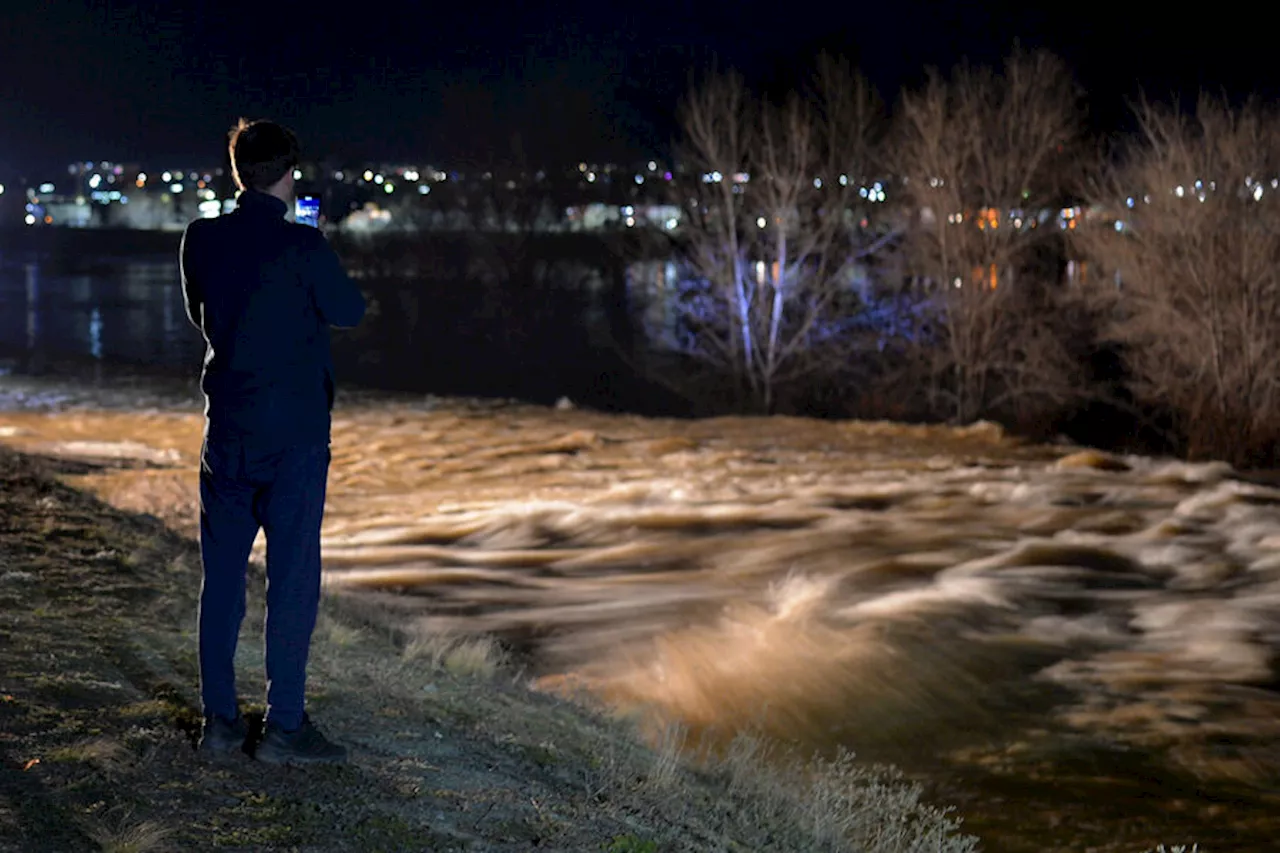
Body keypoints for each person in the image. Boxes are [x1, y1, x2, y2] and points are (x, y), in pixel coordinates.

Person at [181, 118, 366, 765]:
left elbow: (201, 313)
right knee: (291, 581)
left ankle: (220, 723)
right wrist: (310, 253)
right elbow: (350, 309)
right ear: (289, 175)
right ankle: (285, 727)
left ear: (238, 174)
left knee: (222, 582)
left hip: (226, 432)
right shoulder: (304, 248)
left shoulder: (200, 239)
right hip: (293, 440)